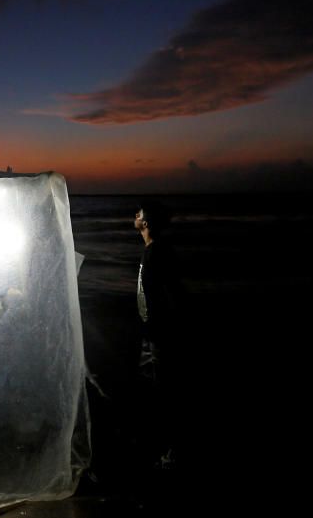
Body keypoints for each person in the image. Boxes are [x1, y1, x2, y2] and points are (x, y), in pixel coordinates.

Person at [133, 200, 184, 469]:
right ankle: (154, 445)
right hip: (149, 333)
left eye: (139, 213)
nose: (135, 215)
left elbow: (174, 292)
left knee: (165, 390)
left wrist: (169, 328)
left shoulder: (158, 253)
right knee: (150, 389)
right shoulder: (151, 251)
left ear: (147, 222)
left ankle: (172, 451)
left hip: (159, 334)